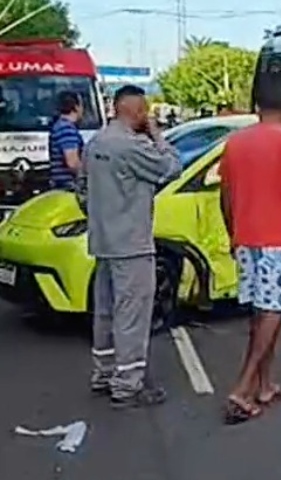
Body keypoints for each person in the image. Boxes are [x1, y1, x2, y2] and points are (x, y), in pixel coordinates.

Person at [219, 77, 281, 424]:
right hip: (277, 239)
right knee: (274, 310)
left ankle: (264, 384)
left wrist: (233, 233)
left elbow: (225, 196)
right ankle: (243, 388)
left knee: (259, 314)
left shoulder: (235, 143)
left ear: (256, 107)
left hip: (245, 238)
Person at [83, 85, 182, 409]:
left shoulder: (95, 143)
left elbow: (81, 191)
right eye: (146, 111)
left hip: (103, 242)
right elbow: (171, 167)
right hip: (132, 244)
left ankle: (104, 372)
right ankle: (127, 384)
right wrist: (157, 135)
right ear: (136, 111)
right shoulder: (133, 146)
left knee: (106, 312)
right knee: (132, 315)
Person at [49, 91, 84, 190]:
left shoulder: (59, 125)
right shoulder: (67, 129)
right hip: (68, 187)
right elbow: (72, 162)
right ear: (76, 107)